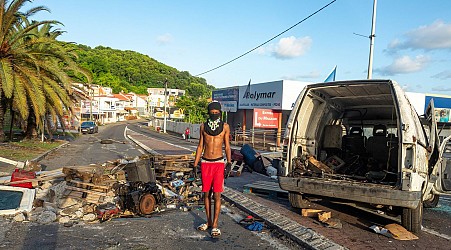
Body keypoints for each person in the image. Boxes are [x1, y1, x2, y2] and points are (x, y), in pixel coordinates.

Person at [194, 101, 232, 238]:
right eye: (212, 112)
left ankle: (215, 225)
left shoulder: (225, 127)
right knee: (206, 194)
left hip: (218, 163)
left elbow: (227, 146)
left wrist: (229, 162)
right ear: (209, 113)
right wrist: (195, 164)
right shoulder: (203, 126)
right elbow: (200, 146)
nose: (214, 114)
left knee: (217, 195)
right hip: (205, 163)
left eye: (216, 112)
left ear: (220, 113)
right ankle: (209, 222)